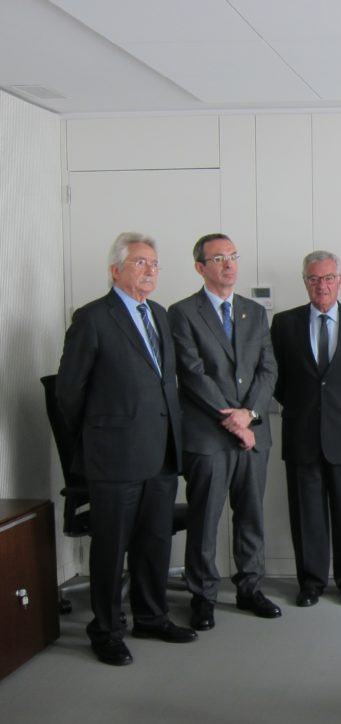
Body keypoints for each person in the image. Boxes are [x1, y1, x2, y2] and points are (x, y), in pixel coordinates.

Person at [55, 232, 197, 666]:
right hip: (114, 456)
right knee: (111, 547)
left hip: (161, 452)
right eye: (140, 262)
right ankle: (106, 629)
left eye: (154, 263)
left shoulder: (159, 313)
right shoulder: (93, 318)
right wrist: (98, 437)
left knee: (154, 543)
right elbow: (68, 392)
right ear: (115, 270)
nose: (150, 270)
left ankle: (151, 617)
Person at [168, 233, 280, 630]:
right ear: (200, 267)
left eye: (233, 256)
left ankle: (250, 587)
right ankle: (203, 596)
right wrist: (232, 419)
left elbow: (268, 369)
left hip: (252, 434)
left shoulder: (254, 312)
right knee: (205, 519)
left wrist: (249, 414)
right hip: (208, 436)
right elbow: (192, 373)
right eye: (218, 258)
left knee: (251, 515)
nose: (229, 264)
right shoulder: (182, 312)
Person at [271, 250, 341, 607]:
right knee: (306, 514)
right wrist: (303, 406)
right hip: (300, 430)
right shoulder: (284, 323)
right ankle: (311, 582)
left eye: (329, 278)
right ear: (305, 281)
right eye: (314, 278)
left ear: (340, 280)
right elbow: (275, 378)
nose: (322, 285)